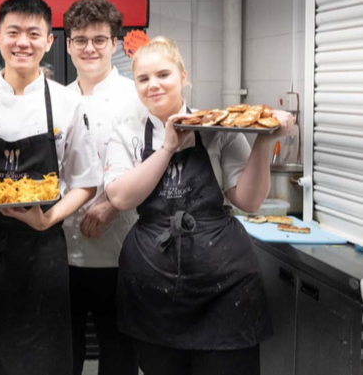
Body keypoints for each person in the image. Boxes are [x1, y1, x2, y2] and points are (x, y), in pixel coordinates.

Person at [105, 37, 293, 375]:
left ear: (183, 76)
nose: (154, 85)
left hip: (225, 282)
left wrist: (264, 139)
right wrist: (166, 148)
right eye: (143, 79)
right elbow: (120, 198)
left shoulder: (218, 127)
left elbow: (248, 200)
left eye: (163, 74)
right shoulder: (125, 133)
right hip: (153, 283)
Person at [0, 0, 102, 375]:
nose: (23, 42)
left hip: (42, 246)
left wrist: (47, 221)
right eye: (13, 32)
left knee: (41, 357)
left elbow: (85, 183)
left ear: (49, 42)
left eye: (34, 33)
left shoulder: (67, 103)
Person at [63, 0, 144, 375]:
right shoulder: (58, 99)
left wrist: (112, 205)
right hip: (62, 250)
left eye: (99, 39)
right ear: (67, 45)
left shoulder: (139, 96)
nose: (89, 48)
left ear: (115, 43)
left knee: (119, 356)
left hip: (121, 250)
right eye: (80, 40)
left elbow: (154, 167)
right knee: (65, 353)